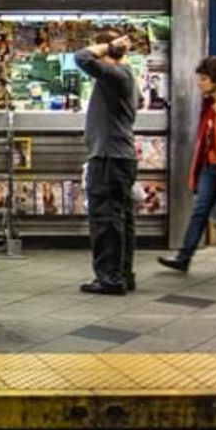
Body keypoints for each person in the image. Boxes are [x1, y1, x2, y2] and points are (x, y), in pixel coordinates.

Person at [74, 30, 138, 295]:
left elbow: (81, 58)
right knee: (120, 219)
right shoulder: (125, 77)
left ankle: (109, 278)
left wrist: (108, 47)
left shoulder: (117, 76)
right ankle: (122, 273)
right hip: (119, 156)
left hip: (109, 158)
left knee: (105, 221)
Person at [158, 56, 216, 274]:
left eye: (205, 78)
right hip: (210, 167)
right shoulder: (209, 105)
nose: (200, 83)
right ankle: (184, 257)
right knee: (200, 210)